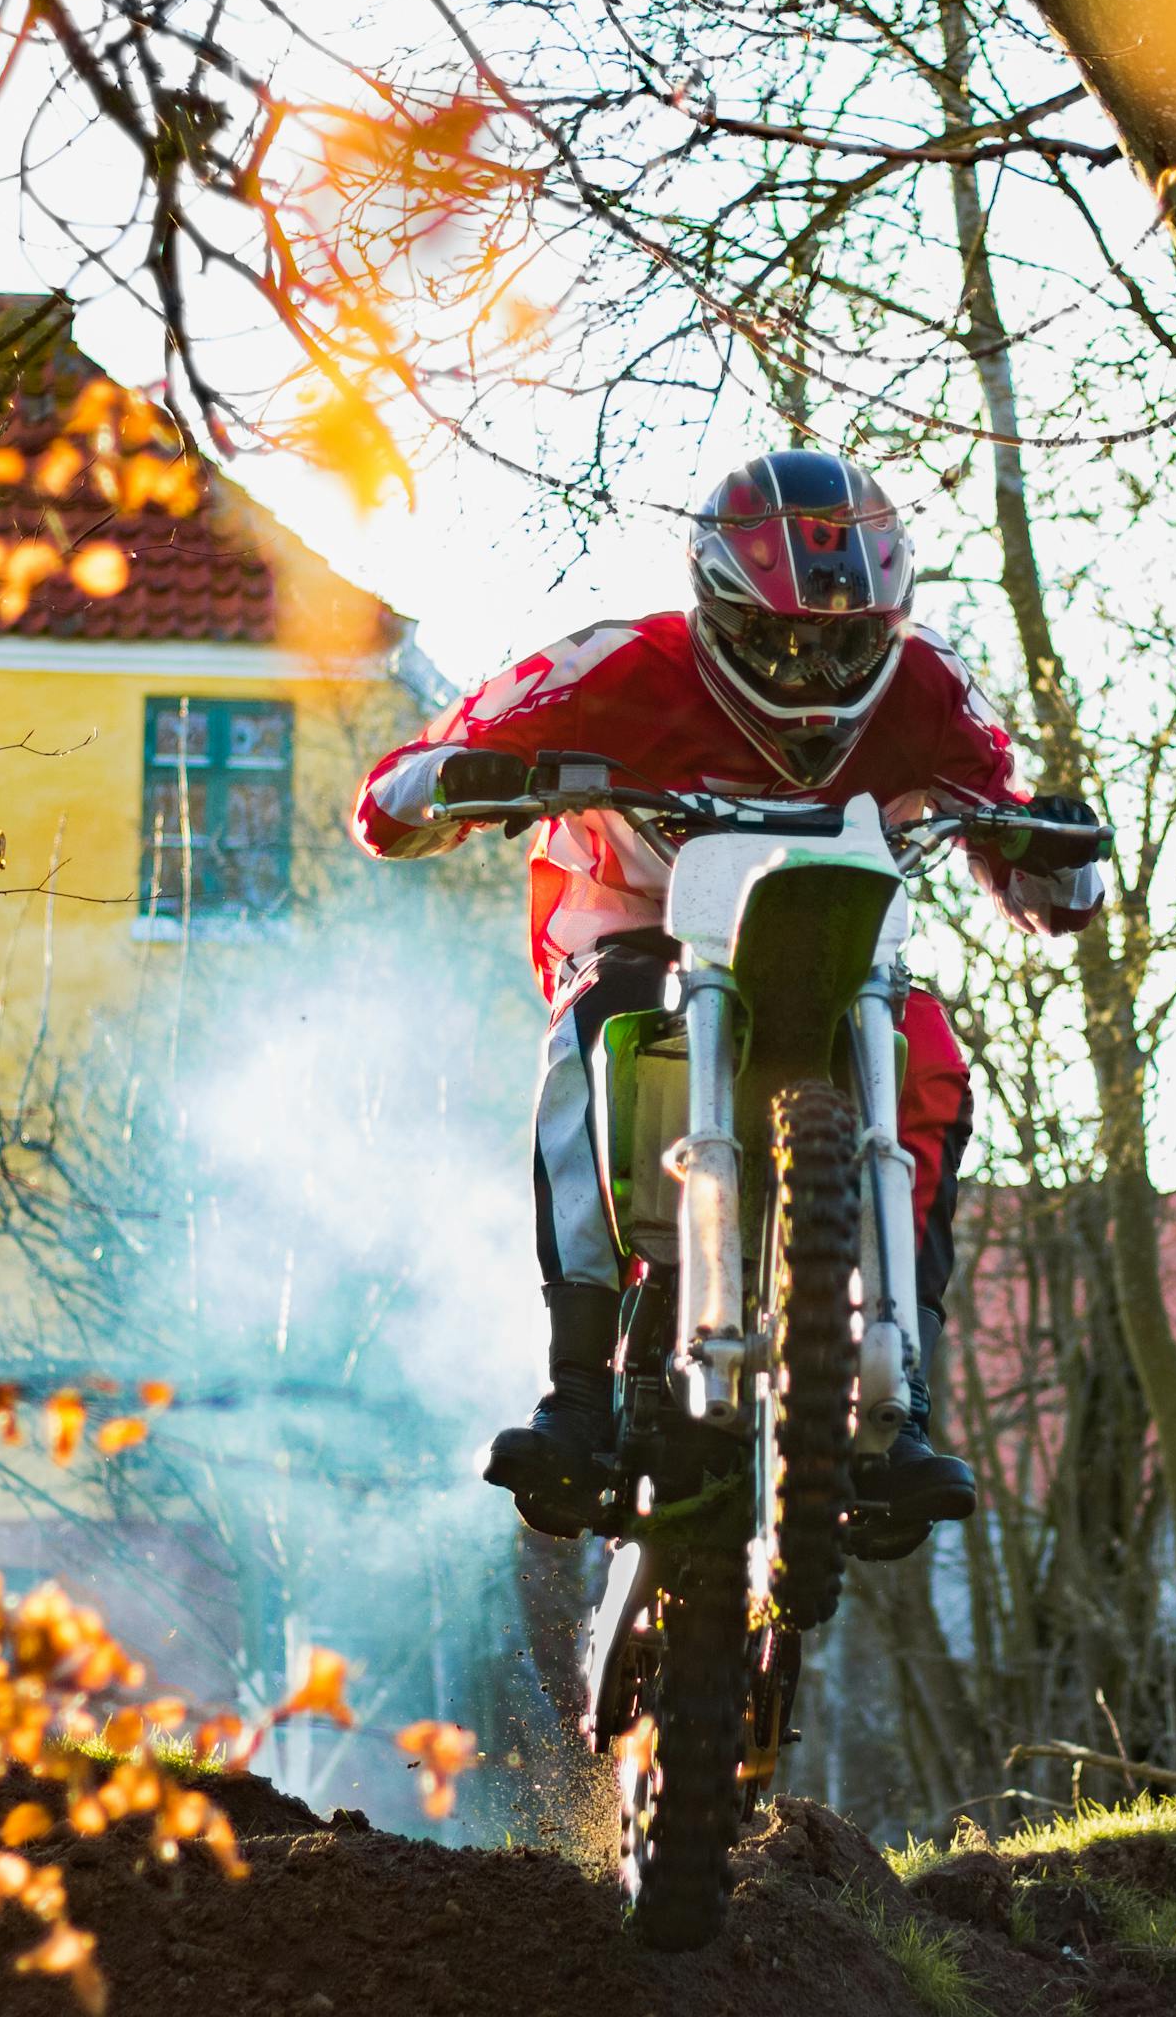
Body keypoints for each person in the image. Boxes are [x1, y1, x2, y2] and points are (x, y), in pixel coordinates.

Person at [350, 449, 1106, 1538]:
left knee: (928, 1052)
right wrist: (449, 780)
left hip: (837, 947)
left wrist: (1052, 853)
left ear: (889, 622)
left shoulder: (930, 685)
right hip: (636, 928)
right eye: (781, 641)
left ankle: (901, 1400)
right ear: (714, 607)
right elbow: (399, 794)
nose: (810, 674)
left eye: (843, 643)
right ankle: (575, 1389)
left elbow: (1025, 856)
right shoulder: (610, 665)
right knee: (603, 1027)